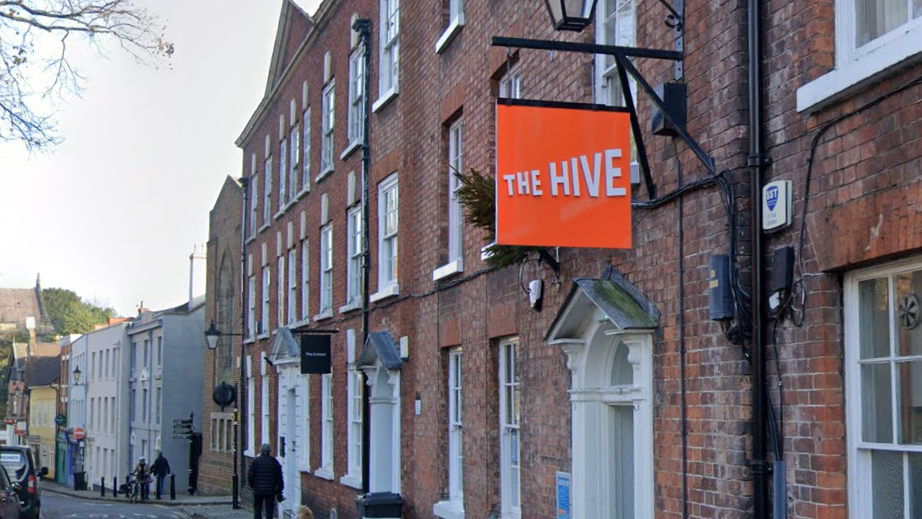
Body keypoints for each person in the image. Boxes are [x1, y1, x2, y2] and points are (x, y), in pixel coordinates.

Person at [247, 443, 283, 519]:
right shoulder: (274, 462)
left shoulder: (255, 462)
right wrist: (279, 490)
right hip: (270, 491)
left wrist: (253, 486)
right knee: (269, 510)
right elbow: (279, 478)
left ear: (261, 451)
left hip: (258, 490)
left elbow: (250, 476)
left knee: (257, 509)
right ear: (270, 451)